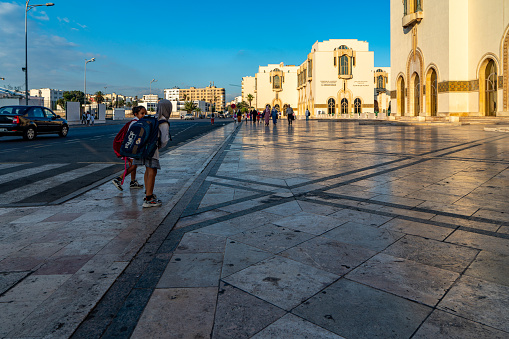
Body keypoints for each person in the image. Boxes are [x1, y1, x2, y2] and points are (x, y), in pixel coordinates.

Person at [135, 100, 171, 208]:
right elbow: (164, 141)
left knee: (148, 170)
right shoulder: (163, 122)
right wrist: (157, 147)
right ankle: (149, 199)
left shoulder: (153, 118)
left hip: (142, 148)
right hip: (152, 150)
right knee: (152, 171)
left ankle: (147, 193)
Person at [112, 106, 146, 191]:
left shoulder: (136, 122)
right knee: (134, 165)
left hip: (131, 148)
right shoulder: (135, 123)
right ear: (136, 114)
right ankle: (119, 179)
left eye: (145, 113)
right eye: (142, 113)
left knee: (133, 165)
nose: (144, 115)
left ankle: (133, 182)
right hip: (132, 148)